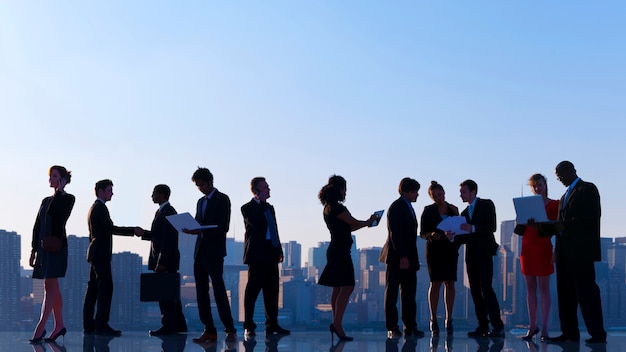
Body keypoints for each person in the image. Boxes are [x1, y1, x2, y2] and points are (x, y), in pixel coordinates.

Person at [547, 161, 606, 344]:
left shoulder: (587, 189)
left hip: (581, 252)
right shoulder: (564, 196)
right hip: (564, 253)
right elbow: (559, 226)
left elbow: (591, 216)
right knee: (565, 294)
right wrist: (541, 227)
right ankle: (569, 332)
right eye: (557, 177)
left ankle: (597, 334)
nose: (560, 179)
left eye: (561, 174)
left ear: (571, 170)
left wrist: (566, 224)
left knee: (587, 293)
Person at [318, 175, 378, 342]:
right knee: (348, 286)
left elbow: (349, 227)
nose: (346, 192)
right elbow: (353, 223)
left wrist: (366, 223)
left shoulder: (329, 208)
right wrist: (369, 221)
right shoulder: (337, 208)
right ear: (340, 189)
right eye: (345, 188)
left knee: (338, 288)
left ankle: (336, 323)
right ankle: (337, 323)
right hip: (340, 251)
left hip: (337, 249)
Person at [182, 167, 237, 343]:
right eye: (197, 186)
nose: (200, 188)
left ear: (210, 182)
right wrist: (192, 229)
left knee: (219, 291)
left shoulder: (222, 199)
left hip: (214, 252)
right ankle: (209, 330)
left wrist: (202, 231)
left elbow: (223, 227)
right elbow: (199, 222)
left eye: (201, 185)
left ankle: (230, 329)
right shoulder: (200, 202)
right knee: (201, 293)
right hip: (200, 252)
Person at [83, 179, 140, 336]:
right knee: (105, 288)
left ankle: (89, 325)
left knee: (93, 289)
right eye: (109, 190)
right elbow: (110, 228)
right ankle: (101, 324)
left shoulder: (94, 208)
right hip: (100, 254)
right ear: (101, 191)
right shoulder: (100, 208)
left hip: (95, 254)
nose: (112, 193)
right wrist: (132, 230)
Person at [29, 165, 75, 343]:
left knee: (51, 287)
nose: (51, 179)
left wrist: (59, 193)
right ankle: (59, 325)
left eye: (54, 176)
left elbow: (58, 217)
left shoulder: (68, 199)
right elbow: (37, 225)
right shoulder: (45, 200)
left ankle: (40, 327)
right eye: (50, 176)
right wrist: (33, 249)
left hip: (56, 248)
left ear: (62, 179)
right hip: (43, 248)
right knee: (52, 287)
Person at [454, 179, 504, 338]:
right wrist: (452, 235)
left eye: (463, 192)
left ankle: (498, 325)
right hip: (470, 256)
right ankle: (483, 325)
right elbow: (462, 238)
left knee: (486, 289)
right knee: (475, 291)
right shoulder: (463, 214)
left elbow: (491, 226)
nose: (461, 195)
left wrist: (473, 228)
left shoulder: (486, 204)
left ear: (473, 191)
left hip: (484, 253)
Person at [241, 177, 290, 337]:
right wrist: (260, 204)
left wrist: (279, 249)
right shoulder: (248, 208)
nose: (269, 190)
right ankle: (249, 324)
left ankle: (272, 324)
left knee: (272, 291)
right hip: (257, 255)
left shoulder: (270, 208)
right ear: (256, 191)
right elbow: (255, 223)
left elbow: (273, 229)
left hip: (271, 253)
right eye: (265, 188)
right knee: (252, 291)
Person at [137, 184, 187, 336]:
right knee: (170, 294)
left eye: (154, 193)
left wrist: (162, 261)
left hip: (165, 260)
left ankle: (169, 326)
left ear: (163, 195)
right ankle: (179, 325)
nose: (152, 196)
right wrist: (144, 234)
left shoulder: (169, 212)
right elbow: (158, 236)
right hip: (163, 259)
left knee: (165, 295)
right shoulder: (162, 212)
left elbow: (168, 240)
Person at [512, 174, 558, 341]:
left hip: (543, 248)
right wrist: (520, 221)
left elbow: (555, 228)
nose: (537, 188)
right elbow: (519, 231)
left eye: (540, 185)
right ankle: (533, 327)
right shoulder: (527, 205)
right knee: (530, 288)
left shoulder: (554, 204)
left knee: (544, 288)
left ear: (545, 185)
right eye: (534, 186)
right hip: (527, 248)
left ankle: (545, 328)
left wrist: (538, 226)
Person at [380, 177, 425, 339]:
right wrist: (402, 256)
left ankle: (410, 326)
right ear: (405, 192)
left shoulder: (408, 208)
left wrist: (412, 258)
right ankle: (392, 326)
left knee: (409, 293)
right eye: (414, 192)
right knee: (392, 293)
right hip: (396, 258)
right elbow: (395, 234)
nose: (417, 195)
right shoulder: (396, 207)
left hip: (409, 258)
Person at [419, 181, 460, 336]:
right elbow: (423, 232)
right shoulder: (428, 211)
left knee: (450, 283)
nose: (439, 198)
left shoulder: (453, 209)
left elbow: (460, 228)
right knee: (435, 283)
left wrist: (457, 214)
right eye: (435, 196)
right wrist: (432, 235)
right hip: (434, 251)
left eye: (440, 194)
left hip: (450, 251)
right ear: (432, 198)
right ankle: (433, 318)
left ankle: (449, 319)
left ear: (444, 193)